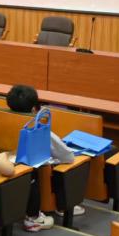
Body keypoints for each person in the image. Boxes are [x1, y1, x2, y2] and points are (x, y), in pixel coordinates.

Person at [6, 84, 82, 223]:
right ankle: (61, 207)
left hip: (9, 168)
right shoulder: (36, 130)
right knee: (69, 164)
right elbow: (68, 157)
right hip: (30, 174)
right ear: (34, 109)